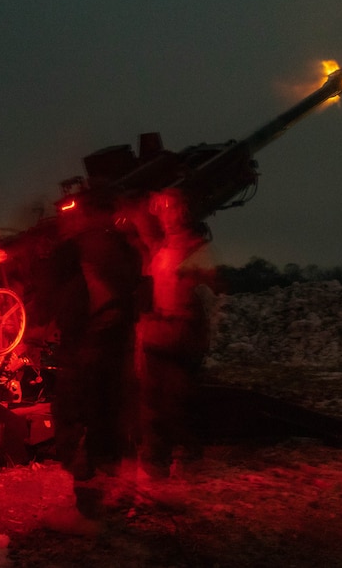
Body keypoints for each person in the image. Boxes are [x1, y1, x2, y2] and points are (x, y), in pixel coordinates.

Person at [47, 191, 144, 530]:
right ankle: (101, 499)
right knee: (97, 422)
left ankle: (96, 505)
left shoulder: (103, 251)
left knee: (93, 423)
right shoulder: (112, 251)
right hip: (95, 348)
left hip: (96, 350)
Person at [135, 188, 214, 479]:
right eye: (163, 211)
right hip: (160, 333)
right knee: (152, 403)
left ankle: (189, 459)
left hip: (182, 334)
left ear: (183, 213)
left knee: (177, 403)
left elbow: (210, 293)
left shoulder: (195, 249)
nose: (166, 217)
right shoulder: (164, 249)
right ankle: (156, 462)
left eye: (171, 210)